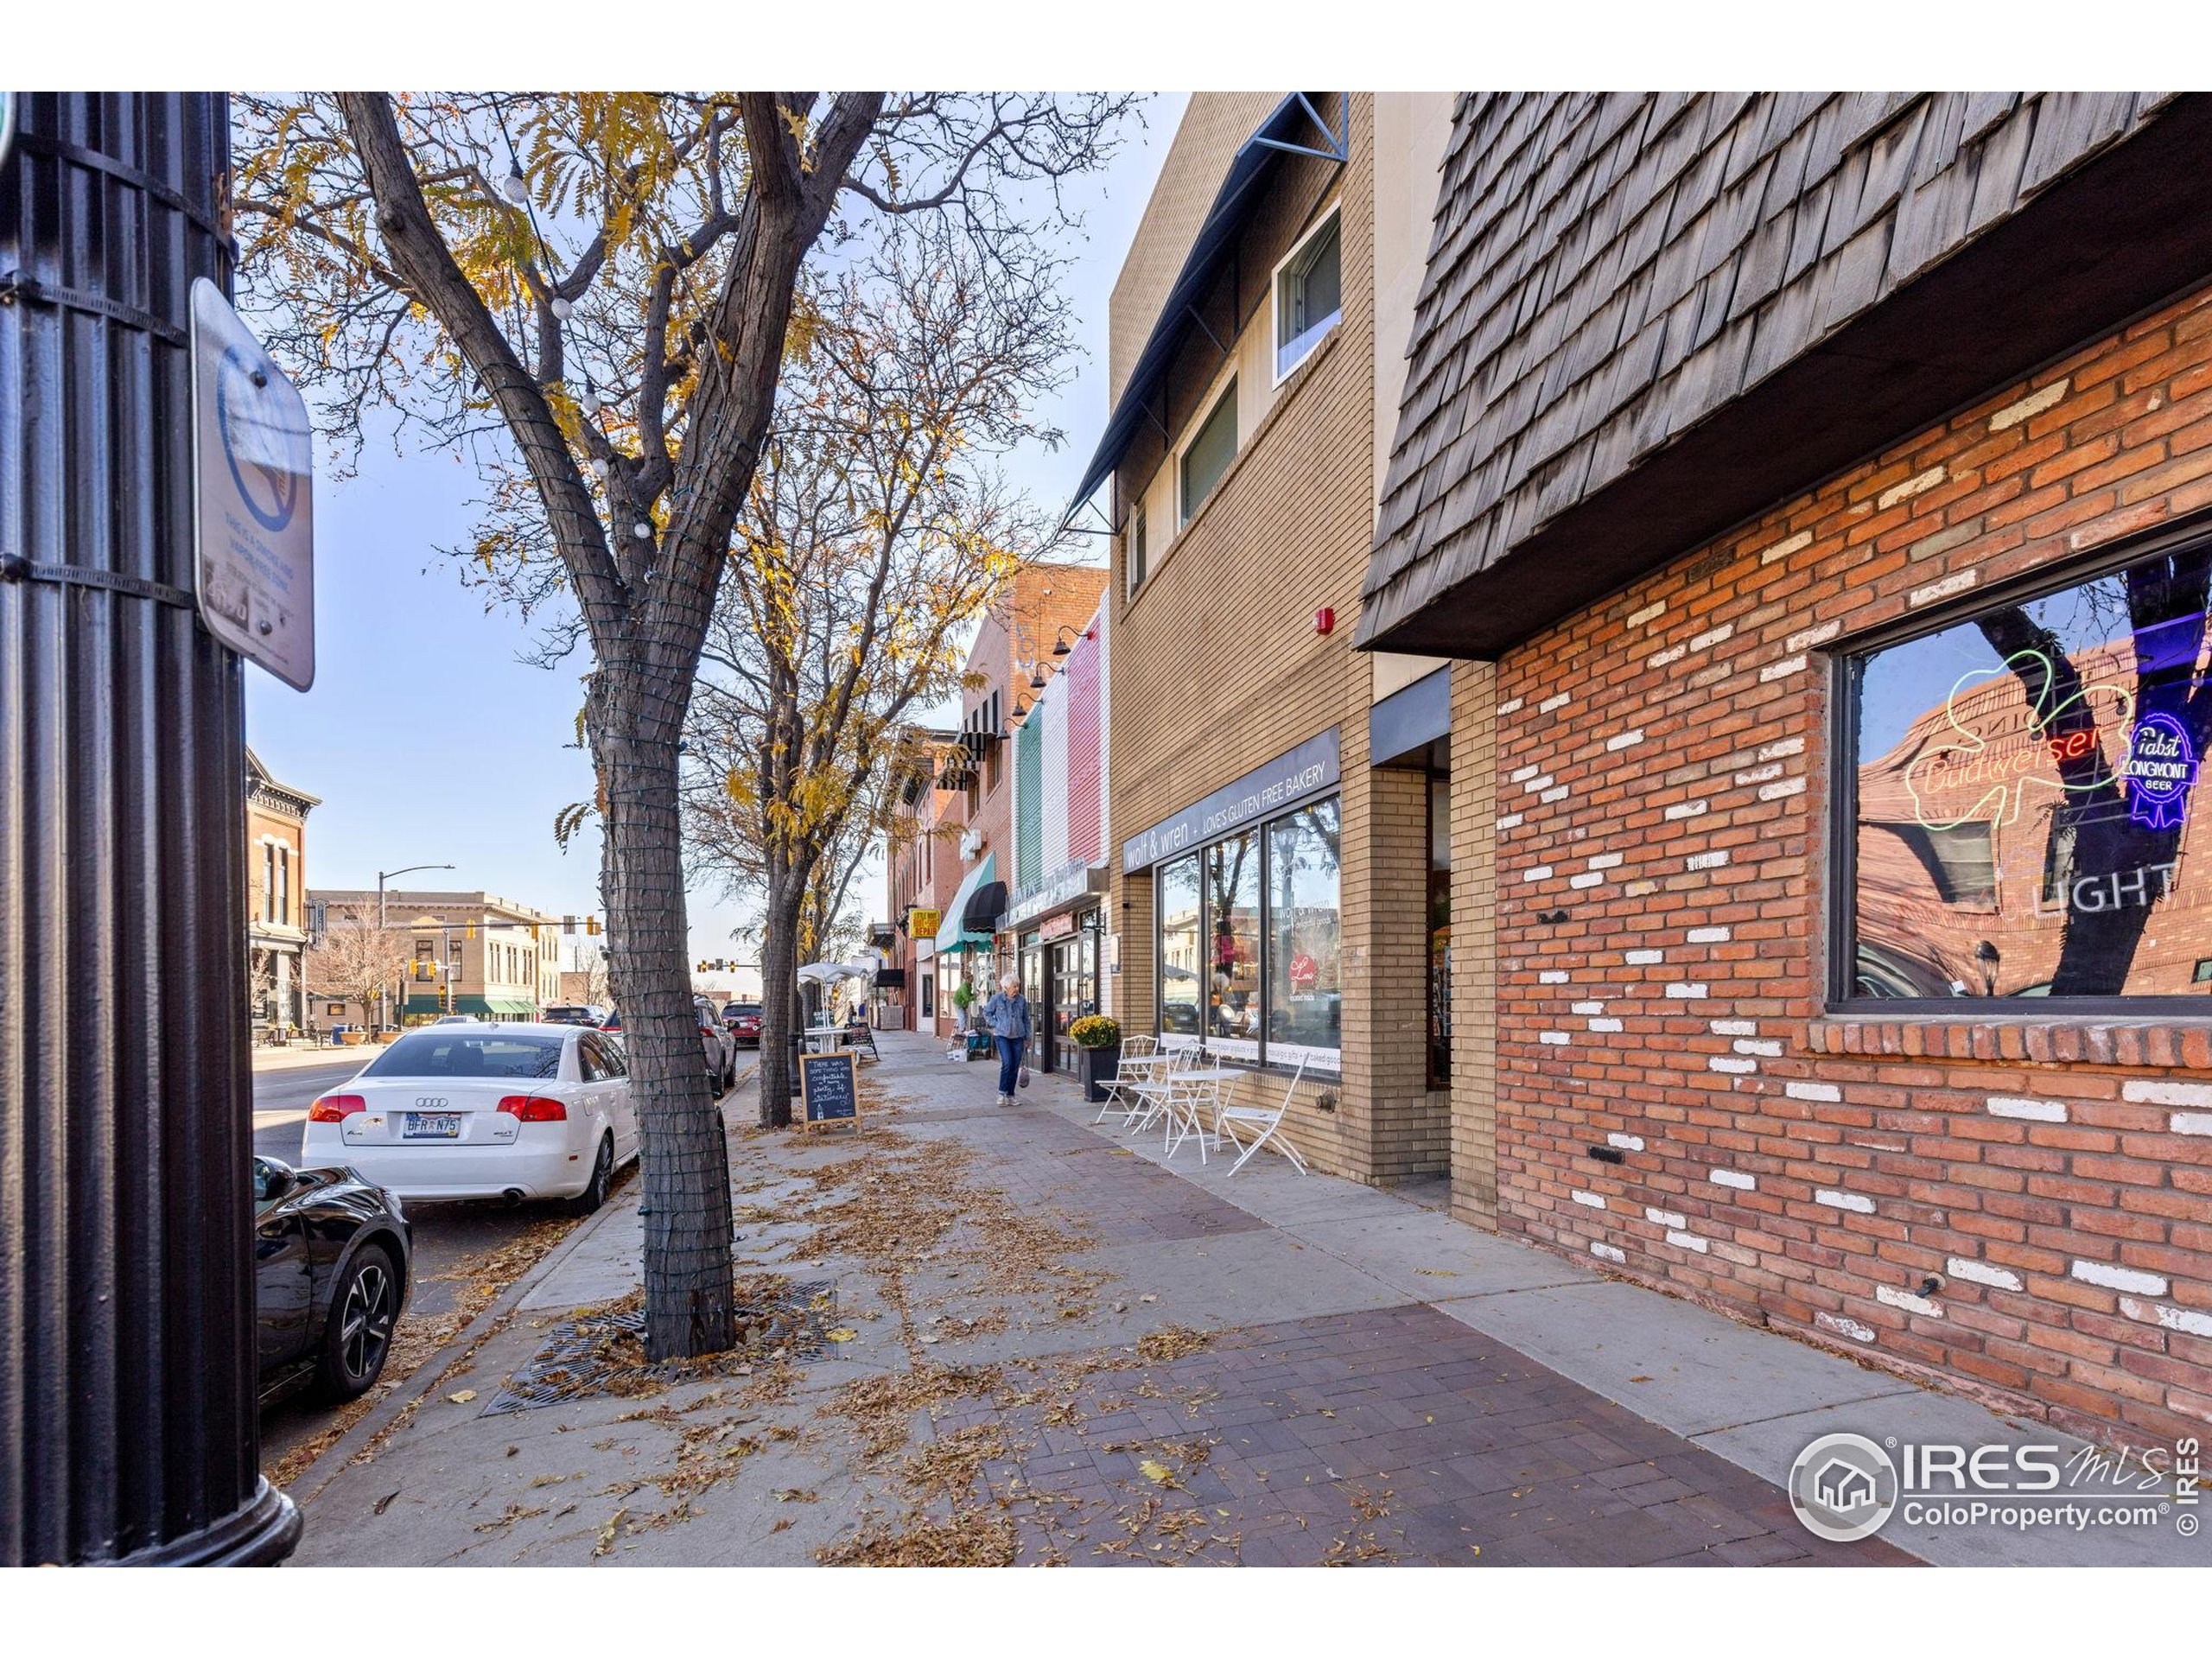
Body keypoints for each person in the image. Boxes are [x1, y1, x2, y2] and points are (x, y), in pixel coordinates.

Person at [981, 971, 1032, 1107]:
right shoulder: (997, 999)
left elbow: (1026, 1020)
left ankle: (1011, 1095)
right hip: (1002, 1036)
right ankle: (1001, 1094)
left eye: (1017, 986)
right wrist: (996, 1024)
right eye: (1014, 986)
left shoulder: (1021, 1000)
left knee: (1015, 1066)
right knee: (1007, 1063)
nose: (1016, 989)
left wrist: (1028, 1037)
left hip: (1018, 1037)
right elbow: (986, 1013)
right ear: (1006, 987)